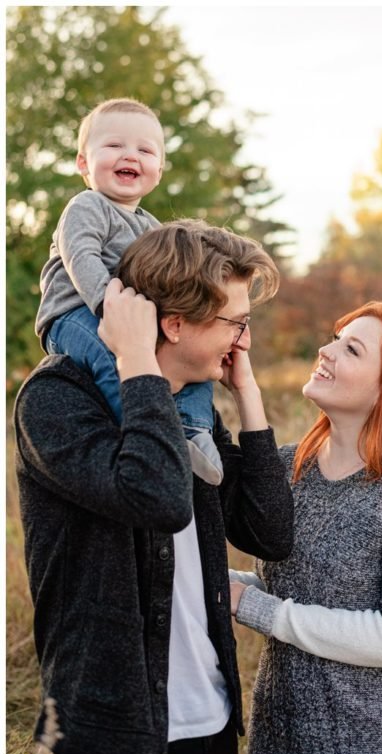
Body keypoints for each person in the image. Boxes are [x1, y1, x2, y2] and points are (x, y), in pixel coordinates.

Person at [15, 220, 294, 754]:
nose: (247, 340)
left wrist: (247, 392)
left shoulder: (194, 413)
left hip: (210, 719)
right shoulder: (54, 401)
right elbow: (159, 498)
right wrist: (139, 363)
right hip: (107, 728)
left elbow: (271, 532)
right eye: (236, 323)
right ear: (173, 324)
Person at [228, 301, 382, 754]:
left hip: (377, 742)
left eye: (351, 350)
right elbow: (297, 590)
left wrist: (255, 608)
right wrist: (226, 587)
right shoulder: (289, 466)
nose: (325, 350)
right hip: (284, 737)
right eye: (335, 338)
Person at [35, 97, 224, 484]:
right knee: (111, 358)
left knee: (195, 359)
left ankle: (194, 431)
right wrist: (110, 309)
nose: (130, 155)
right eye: (114, 145)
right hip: (75, 314)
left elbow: (170, 277)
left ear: (159, 170)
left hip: (135, 321)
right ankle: (139, 433)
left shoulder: (151, 226)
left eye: (144, 149)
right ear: (83, 163)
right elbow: (81, 257)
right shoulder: (87, 206)